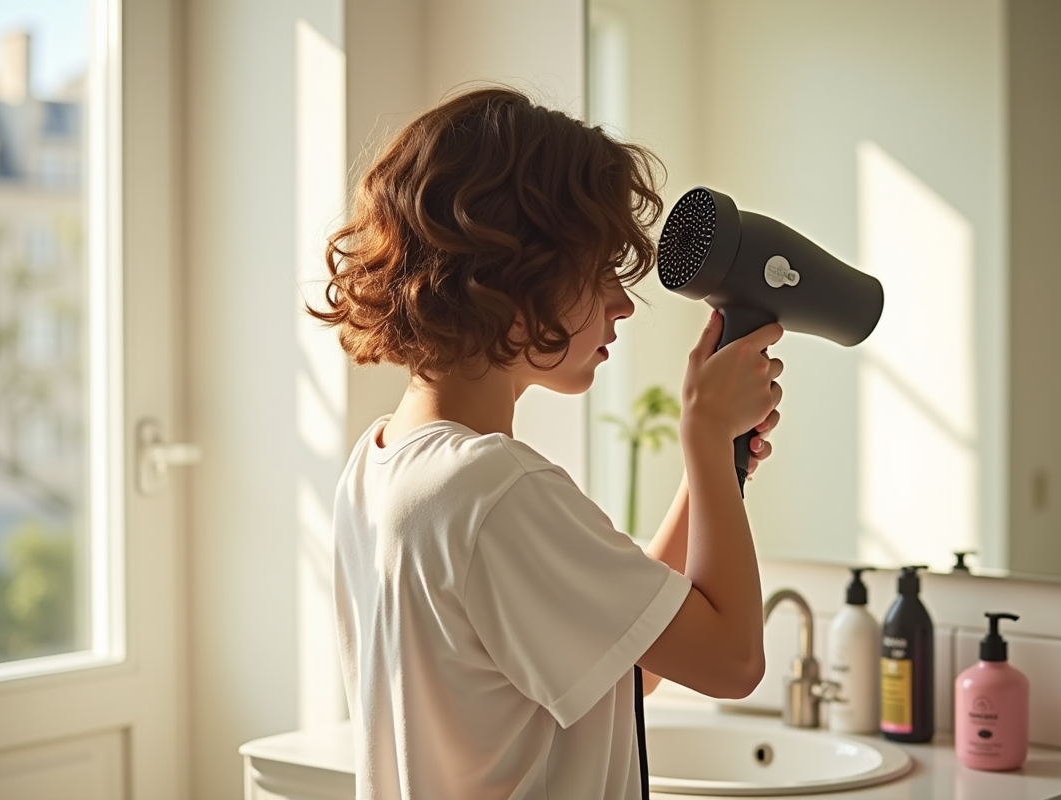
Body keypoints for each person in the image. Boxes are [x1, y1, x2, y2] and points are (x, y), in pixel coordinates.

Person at [308, 86, 784, 800]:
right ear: (514, 271)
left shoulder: (380, 465)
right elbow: (734, 662)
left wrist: (711, 461)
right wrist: (706, 434)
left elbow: (627, 663)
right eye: (598, 272)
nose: (623, 303)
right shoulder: (496, 492)